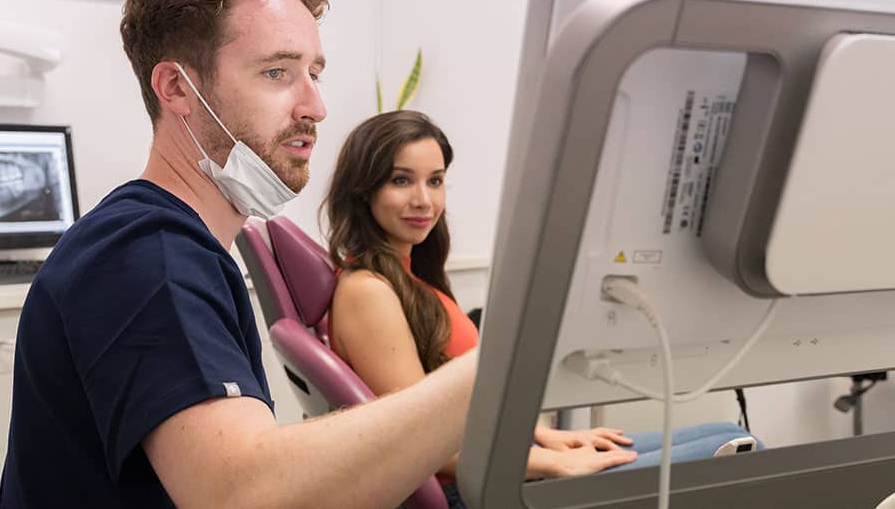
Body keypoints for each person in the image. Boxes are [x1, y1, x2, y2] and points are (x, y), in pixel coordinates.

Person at [0, 0, 482, 509]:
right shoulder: (148, 255)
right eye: (277, 73)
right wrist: (495, 368)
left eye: (314, 73)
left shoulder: (177, 245)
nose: (314, 106)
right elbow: (240, 493)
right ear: (178, 87)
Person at [322, 110, 761, 508]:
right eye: (401, 180)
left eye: (435, 180)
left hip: (489, 464)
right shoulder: (369, 291)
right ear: (364, 190)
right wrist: (551, 463)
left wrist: (550, 438)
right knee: (740, 455)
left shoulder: (411, 277)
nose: (424, 200)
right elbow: (417, 442)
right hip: (472, 488)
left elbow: (465, 407)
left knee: (730, 437)